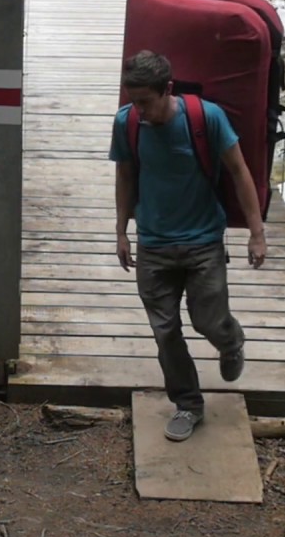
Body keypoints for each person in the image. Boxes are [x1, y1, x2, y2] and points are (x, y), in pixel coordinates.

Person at [109, 50, 268, 442]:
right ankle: (188, 405)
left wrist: (256, 232)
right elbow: (125, 175)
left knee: (207, 321)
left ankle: (230, 341)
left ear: (167, 89)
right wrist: (121, 231)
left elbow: (239, 170)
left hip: (203, 242)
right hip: (153, 244)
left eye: (146, 101)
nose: (140, 110)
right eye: (133, 101)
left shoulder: (206, 118)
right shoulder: (127, 122)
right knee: (165, 331)